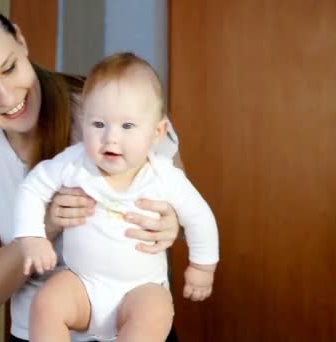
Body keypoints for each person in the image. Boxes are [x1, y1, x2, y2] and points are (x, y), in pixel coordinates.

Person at [0, 1, 182, 341]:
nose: (7, 98)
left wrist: (170, 222)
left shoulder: (110, 114)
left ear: (20, 40)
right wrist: (44, 224)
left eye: (8, 68)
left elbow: (177, 205)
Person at [14, 53, 219, 342]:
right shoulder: (73, 163)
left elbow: (200, 217)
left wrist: (202, 266)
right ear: (82, 121)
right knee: (47, 303)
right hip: (82, 285)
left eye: (127, 126)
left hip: (139, 289)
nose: (111, 138)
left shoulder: (164, 176)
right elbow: (32, 188)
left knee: (157, 310)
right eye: (98, 124)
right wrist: (32, 236)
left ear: (157, 132)